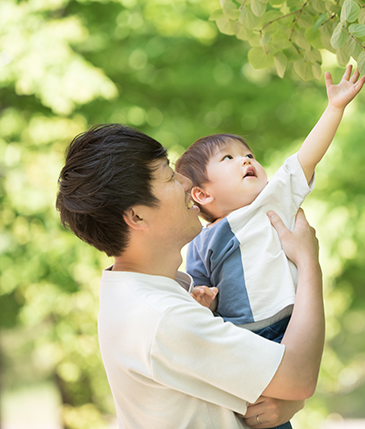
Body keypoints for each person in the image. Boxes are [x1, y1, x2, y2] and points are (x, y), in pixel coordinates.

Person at [55, 123, 325, 428]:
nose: (186, 183)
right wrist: (307, 262)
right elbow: (298, 377)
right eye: (170, 176)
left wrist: (285, 400)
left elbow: (273, 391)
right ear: (136, 216)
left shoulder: (138, 297)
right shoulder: (165, 317)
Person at [174, 66, 365, 388]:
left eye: (248, 155)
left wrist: (334, 108)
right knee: (260, 411)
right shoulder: (199, 241)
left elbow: (306, 157)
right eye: (229, 159)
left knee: (287, 394)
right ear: (202, 194)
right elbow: (201, 289)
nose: (247, 160)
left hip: (292, 326)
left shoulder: (272, 201)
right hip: (241, 337)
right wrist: (203, 300)